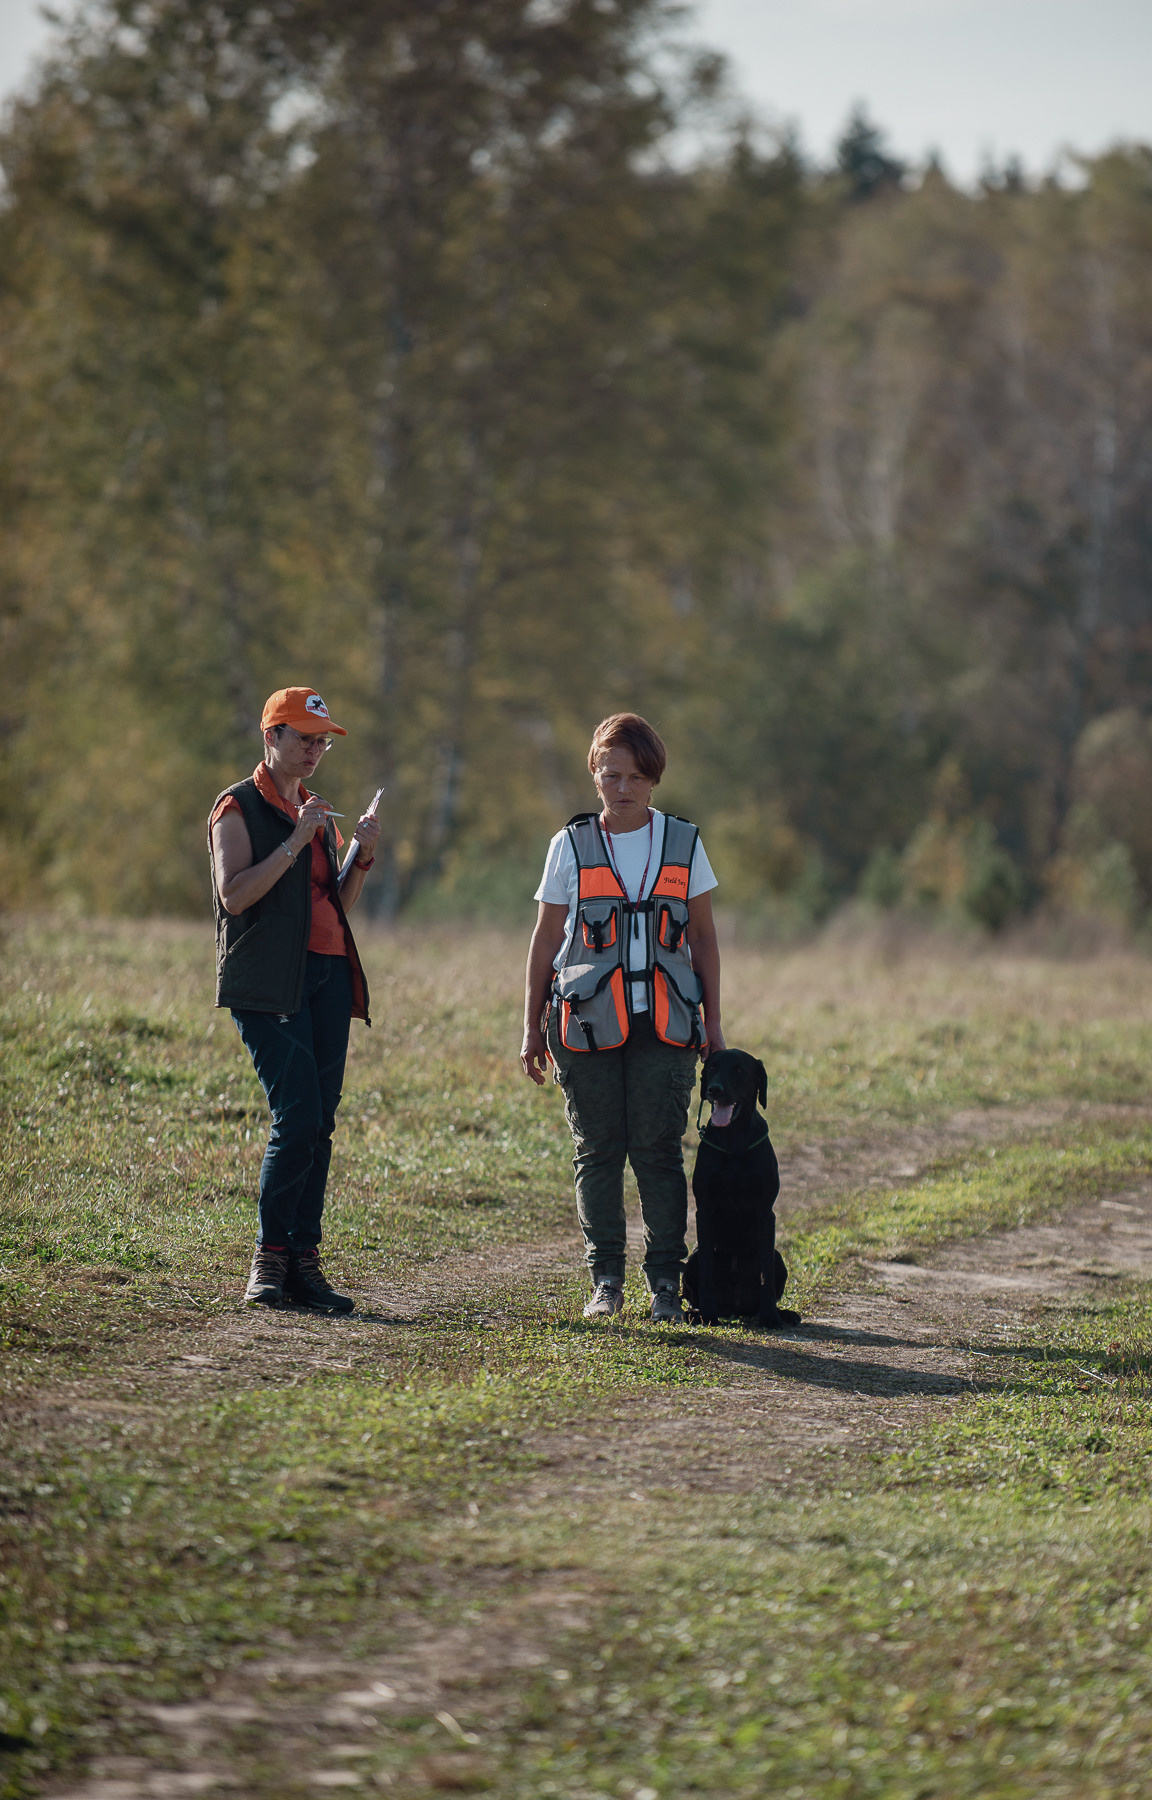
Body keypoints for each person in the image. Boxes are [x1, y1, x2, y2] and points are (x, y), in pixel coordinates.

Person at [520, 713, 724, 1322]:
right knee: (597, 1149)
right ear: (594, 774)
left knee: (659, 1150)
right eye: (611, 774)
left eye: (635, 776)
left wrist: (714, 1027)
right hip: (584, 1024)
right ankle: (605, 1280)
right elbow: (544, 938)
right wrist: (530, 1025)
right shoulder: (569, 846)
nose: (623, 787)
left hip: (668, 1026)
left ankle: (666, 1282)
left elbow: (706, 941)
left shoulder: (685, 842)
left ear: (653, 780)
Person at [208, 687, 381, 1313]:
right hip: (268, 983)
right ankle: (269, 1262)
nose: (315, 749)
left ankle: (304, 1265)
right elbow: (236, 894)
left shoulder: (314, 811)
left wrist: (359, 859)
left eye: (322, 740)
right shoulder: (238, 807)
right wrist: (296, 838)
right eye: (304, 737)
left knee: (321, 1124)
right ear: (270, 736)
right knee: (299, 1115)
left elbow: (331, 904)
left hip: (328, 973)